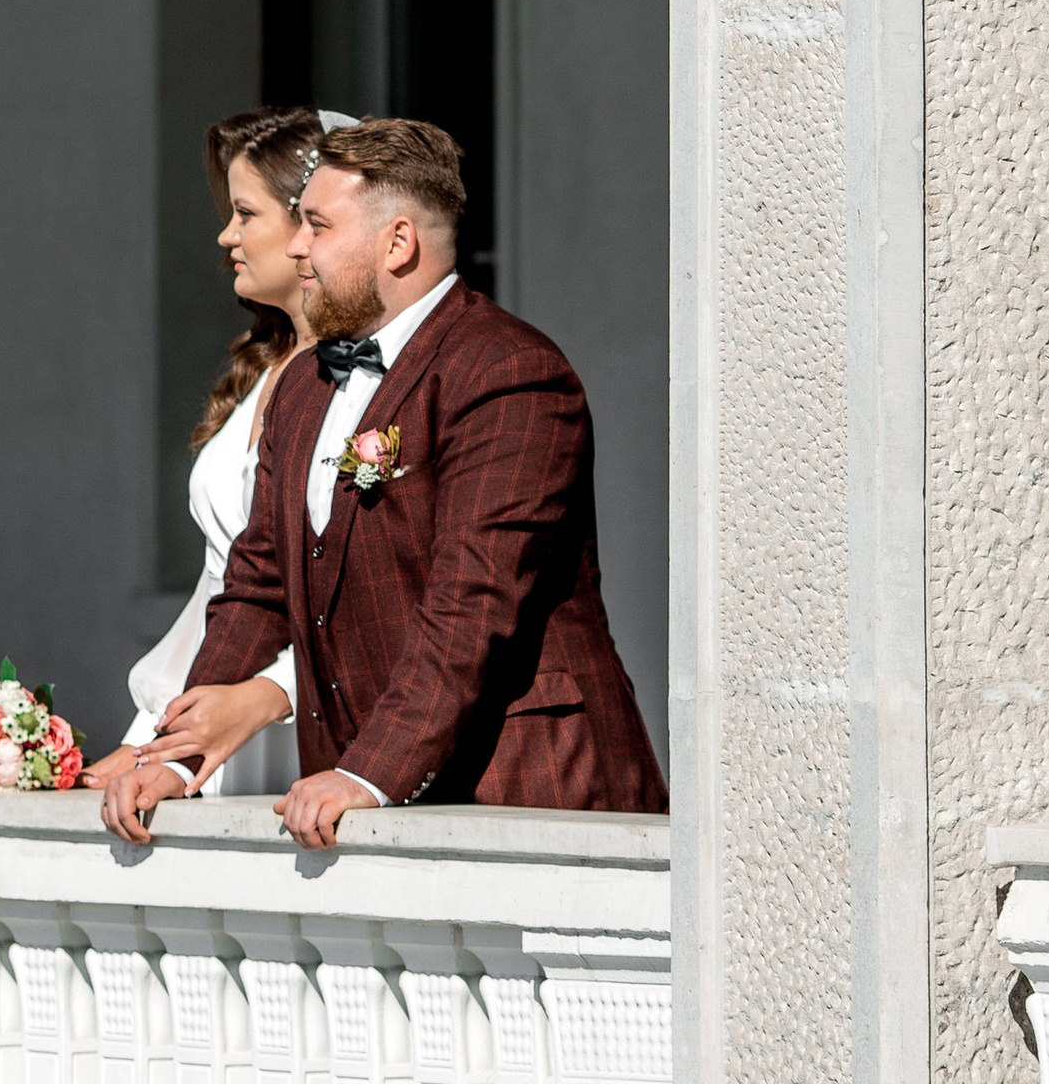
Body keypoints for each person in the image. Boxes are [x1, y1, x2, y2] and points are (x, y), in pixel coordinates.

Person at [99, 115, 665, 846]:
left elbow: (472, 601)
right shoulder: (306, 382)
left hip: (527, 789)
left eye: (319, 227)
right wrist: (174, 760)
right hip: (360, 806)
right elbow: (258, 586)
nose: (297, 247)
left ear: (397, 243)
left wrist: (370, 774)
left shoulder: (509, 374)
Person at [83, 107, 345, 811]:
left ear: (308, 224)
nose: (226, 235)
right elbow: (221, 589)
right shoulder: (270, 370)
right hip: (213, 719)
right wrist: (152, 740)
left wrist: (265, 697)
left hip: (299, 722)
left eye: (244, 213)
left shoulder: (360, 383)